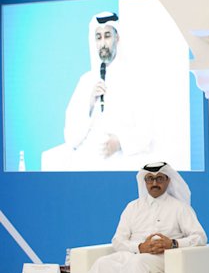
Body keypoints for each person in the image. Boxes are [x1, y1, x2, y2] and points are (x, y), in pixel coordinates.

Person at [79, 162, 207, 273]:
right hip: (134, 252)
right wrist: (139, 247)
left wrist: (173, 243)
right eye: (150, 179)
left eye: (159, 179)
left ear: (168, 181)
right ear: (144, 181)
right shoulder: (132, 207)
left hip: (163, 257)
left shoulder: (179, 208)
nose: (154, 183)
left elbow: (200, 237)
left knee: (136, 263)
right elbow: (117, 240)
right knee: (102, 263)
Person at [60, 11, 152, 169]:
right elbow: (71, 137)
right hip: (87, 165)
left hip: (121, 164)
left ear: (117, 38)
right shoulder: (86, 81)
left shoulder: (134, 79)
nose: (103, 43)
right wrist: (89, 104)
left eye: (107, 36)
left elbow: (147, 132)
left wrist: (119, 143)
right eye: (98, 37)